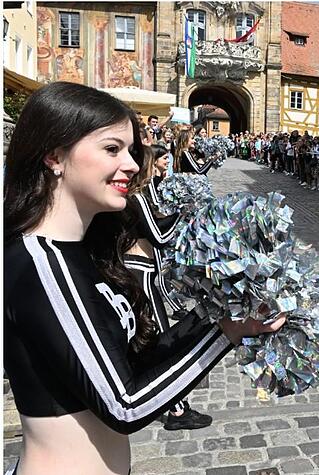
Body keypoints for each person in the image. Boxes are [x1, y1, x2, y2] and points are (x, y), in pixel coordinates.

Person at [4, 81, 286, 475]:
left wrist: (224, 317)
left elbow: (134, 363)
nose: (135, 164)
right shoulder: (40, 263)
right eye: (111, 149)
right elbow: (125, 405)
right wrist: (223, 332)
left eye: (131, 150)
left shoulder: (86, 251)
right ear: (55, 155)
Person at [122, 143, 213, 430]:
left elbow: (156, 223)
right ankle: (176, 409)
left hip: (142, 269)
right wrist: (186, 212)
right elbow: (160, 236)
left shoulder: (139, 194)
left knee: (149, 334)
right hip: (140, 271)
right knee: (163, 336)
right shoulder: (136, 196)